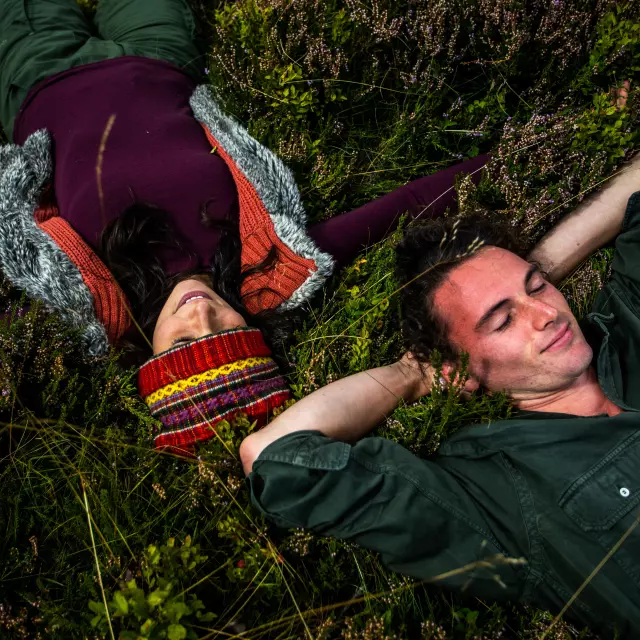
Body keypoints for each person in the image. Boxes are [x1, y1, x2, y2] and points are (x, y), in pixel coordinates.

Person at [0, 0, 486, 452]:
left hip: (40, 74)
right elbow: (410, 204)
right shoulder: (271, 264)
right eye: (224, 333)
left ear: (151, 351)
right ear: (252, 332)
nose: (201, 316)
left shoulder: (98, 299)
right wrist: (519, 158)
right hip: (158, 58)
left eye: (185, 343)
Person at [239, 150, 640, 638]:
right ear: (459, 371)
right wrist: (410, 374)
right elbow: (273, 456)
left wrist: (537, 267)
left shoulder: (627, 322)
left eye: (539, 289)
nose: (546, 314)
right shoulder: (501, 497)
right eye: (501, 320)